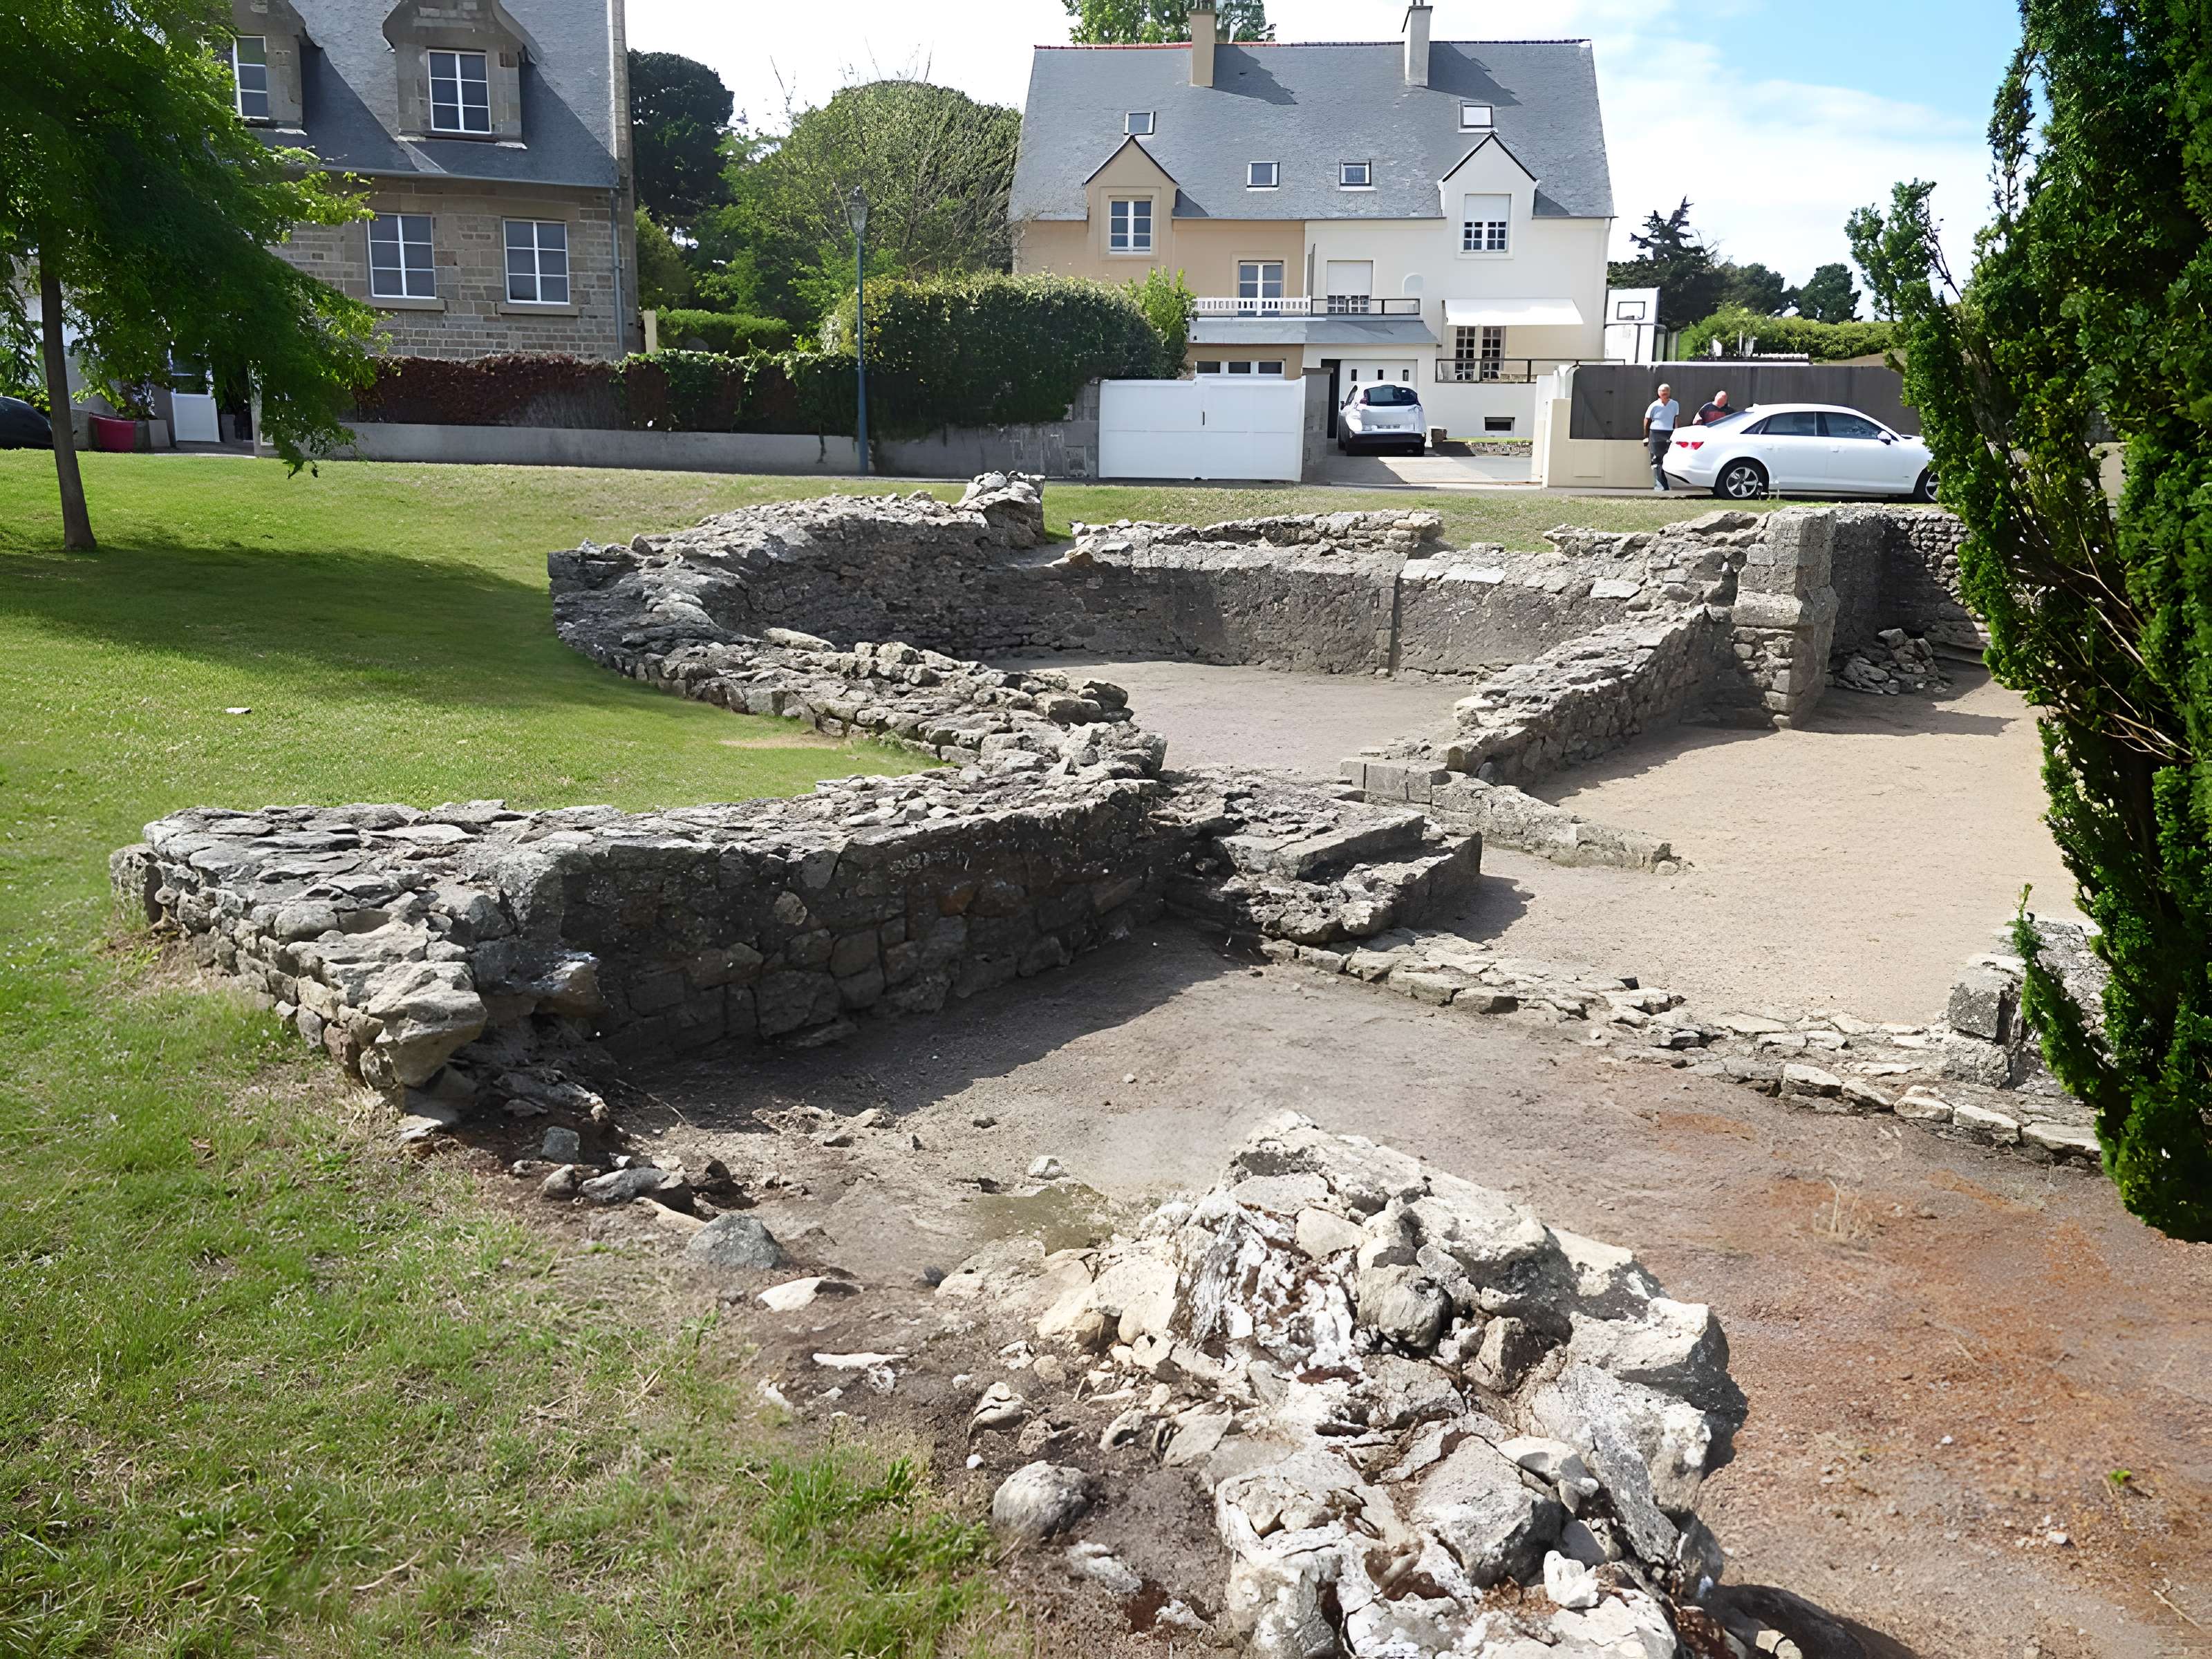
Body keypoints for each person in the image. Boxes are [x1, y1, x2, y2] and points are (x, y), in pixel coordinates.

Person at [1643, 383, 1680, 491]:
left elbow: (1676, 419)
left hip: (1669, 433)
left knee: (1667, 459)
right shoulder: (1654, 405)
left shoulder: (1675, 404)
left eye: (1666, 391)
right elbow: (1647, 420)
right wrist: (1646, 436)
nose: (1664, 393)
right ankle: (1659, 485)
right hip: (1656, 433)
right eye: (1662, 391)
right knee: (1656, 459)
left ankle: (1665, 484)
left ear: (1669, 392)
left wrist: (1676, 433)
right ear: (1658, 393)